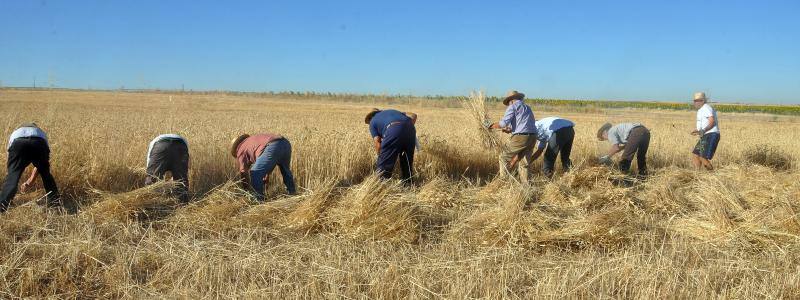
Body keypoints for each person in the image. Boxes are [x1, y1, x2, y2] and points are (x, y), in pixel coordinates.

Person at [1, 123, 59, 212]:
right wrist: (30, 181)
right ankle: (55, 204)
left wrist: (12, 174)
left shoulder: (15, 133)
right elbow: (40, 166)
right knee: (46, 174)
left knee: (12, 177)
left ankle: (2, 205)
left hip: (18, 143)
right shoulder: (40, 133)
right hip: (39, 143)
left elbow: (11, 164)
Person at [487, 90, 537, 181]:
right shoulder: (527, 107)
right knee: (524, 162)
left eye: (508, 102)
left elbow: (503, 123)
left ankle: (503, 181)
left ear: (511, 100)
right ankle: (526, 186)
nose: (508, 104)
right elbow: (525, 124)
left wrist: (490, 125)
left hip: (521, 137)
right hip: (533, 136)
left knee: (503, 157)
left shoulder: (513, 106)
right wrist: (510, 129)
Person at [231, 133, 296, 200]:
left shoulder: (240, 149)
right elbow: (266, 158)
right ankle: (292, 194)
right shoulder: (251, 141)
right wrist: (266, 174)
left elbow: (243, 172)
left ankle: (259, 200)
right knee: (285, 171)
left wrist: (246, 190)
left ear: (236, 147)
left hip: (272, 146)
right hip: (285, 143)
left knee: (255, 172)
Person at [365, 108, 418, 182]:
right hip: (411, 128)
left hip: (394, 129)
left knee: (384, 165)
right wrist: (405, 127)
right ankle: (408, 183)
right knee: (407, 160)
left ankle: (382, 185)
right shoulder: (392, 112)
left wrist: (382, 157)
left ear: (370, 118)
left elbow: (377, 143)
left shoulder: (372, 121)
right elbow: (414, 115)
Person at [145, 134, 190, 202]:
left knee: (153, 179)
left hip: (160, 146)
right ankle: (182, 203)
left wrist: (150, 174)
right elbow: (185, 167)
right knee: (181, 180)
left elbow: (149, 163)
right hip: (181, 145)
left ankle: (151, 202)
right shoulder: (184, 142)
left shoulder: (153, 143)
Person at [690, 92, 720, 170]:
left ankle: (712, 174)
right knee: (696, 154)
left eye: (697, 101)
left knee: (702, 156)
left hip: (711, 135)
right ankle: (697, 174)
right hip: (706, 134)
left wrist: (703, 130)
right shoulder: (701, 110)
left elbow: (712, 121)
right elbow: (705, 124)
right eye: (694, 101)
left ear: (702, 101)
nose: (695, 102)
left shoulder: (706, 108)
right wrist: (698, 131)